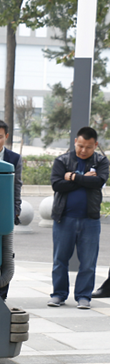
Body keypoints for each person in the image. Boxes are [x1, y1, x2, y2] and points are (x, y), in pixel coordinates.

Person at [49, 126, 109, 309]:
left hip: (90, 220)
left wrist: (73, 177)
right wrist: (84, 179)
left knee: (88, 262)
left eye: (88, 147)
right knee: (60, 260)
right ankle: (58, 294)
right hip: (64, 218)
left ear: (95, 145)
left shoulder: (101, 161)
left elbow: (98, 182)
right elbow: (57, 185)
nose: (83, 150)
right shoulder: (62, 160)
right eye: (80, 146)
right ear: (75, 141)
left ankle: (83, 296)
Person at [0, 119, 23, 301]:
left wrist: (15, 210)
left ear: (6, 137)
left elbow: (17, 186)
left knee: (5, 254)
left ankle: (1, 295)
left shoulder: (14, 158)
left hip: (4, 213)